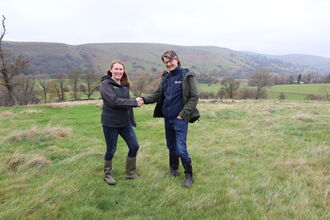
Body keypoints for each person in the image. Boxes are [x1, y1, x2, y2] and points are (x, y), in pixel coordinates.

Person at [137, 50, 200, 188]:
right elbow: (157, 94)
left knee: (181, 148)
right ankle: (174, 171)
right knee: (171, 146)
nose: (168, 64)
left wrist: (183, 114)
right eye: (166, 62)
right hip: (168, 118)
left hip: (180, 119)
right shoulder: (166, 77)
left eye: (170, 61)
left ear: (177, 60)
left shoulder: (186, 76)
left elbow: (194, 97)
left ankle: (189, 175)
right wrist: (143, 99)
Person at [100, 60, 142, 185]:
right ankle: (107, 175)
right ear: (111, 70)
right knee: (111, 149)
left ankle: (131, 173)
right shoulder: (105, 85)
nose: (118, 71)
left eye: (121, 69)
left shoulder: (124, 85)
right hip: (110, 124)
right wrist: (135, 102)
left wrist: (132, 122)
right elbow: (114, 101)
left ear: (123, 71)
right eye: (116, 69)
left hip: (125, 123)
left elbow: (127, 106)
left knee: (134, 146)